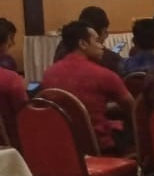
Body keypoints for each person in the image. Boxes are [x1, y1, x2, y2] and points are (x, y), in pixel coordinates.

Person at [41, 20, 136, 154]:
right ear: (83, 44)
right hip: (98, 144)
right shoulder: (103, 75)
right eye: (97, 41)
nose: (102, 46)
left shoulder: (48, 74)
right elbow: (132, 108)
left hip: (62, 143)